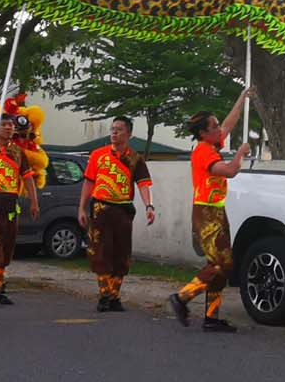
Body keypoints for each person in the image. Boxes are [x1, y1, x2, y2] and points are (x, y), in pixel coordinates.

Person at [165, 87, 251, 333]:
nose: (218, 129)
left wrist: (241, 99)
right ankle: (182, 297)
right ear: (203, 133)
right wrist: (241, 154)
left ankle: (211, 317)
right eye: (213, 127)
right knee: (220, 265)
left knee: (222, 267)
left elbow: (229, 124)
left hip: (216, 211)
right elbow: (230, 171)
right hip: (206, 214)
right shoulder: (203, 152)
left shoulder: (212, 144)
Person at [83, 115, 155, 311]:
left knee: (121, 255)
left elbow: (143, 184)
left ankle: (114, 296)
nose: (114, 132)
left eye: (119, 129)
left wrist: (149, 206)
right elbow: (89, 182)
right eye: (112, 129)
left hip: (123, 210)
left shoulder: (135, 159)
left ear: (129, 134)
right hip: (100, 209)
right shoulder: (98, 155)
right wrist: (81, 207)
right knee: (101, 254)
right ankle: (104, 296)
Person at [0, 106, 41, 308]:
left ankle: (0, 287)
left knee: (5, 248)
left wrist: (34, 201)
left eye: (10, 125)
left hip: (10, 204)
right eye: (4, 124)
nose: (8, 127)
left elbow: (28, 178)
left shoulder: (17, 152)